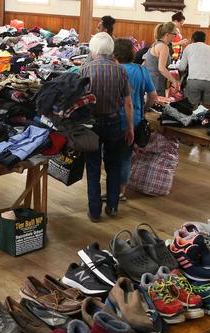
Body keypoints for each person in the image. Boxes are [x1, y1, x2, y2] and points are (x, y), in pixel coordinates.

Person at [79, 32, 133, 222]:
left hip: (91, 124)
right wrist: (130, 127)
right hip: (114, 122)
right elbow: (128, 103)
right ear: (111, 49)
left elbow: (79, 101)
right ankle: (112, 207)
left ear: (93, 49)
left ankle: (94, 212)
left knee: (92, 167)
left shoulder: (85, 69)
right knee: (114, 166)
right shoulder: (120, 71)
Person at [113, 38, 157, 201]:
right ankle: (120, 191)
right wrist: (144, 110)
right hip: (134, 119)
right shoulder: (141, 70)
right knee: (125, 157)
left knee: (110, 156)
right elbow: (153, 96)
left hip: (113, 119)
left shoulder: (114, 70)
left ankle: (111, 188)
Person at [178, 31, 210, 107]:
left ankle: (192, 116)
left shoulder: (189, 47)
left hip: (194, 80)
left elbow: (181, 67)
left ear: (192, 39)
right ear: (204, 40)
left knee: (191, 107)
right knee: (208, 108)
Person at [143, 22, 180, 97]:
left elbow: (144, 64)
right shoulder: (163, 47)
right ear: (167, 34)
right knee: (157, 107)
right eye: (174, 34)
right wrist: (174, 81)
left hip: (149, 82)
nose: (175, 36)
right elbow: (161, 68)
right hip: (156, 84)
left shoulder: (155, 44)